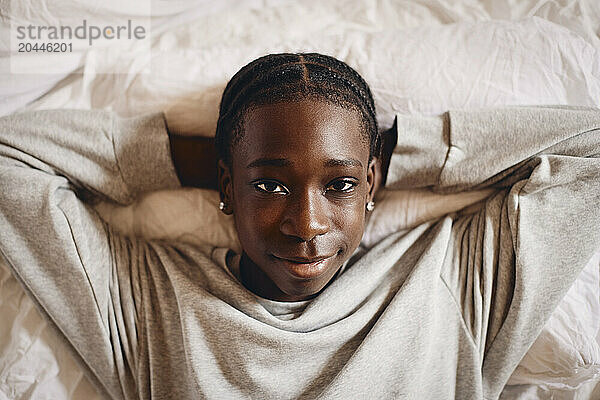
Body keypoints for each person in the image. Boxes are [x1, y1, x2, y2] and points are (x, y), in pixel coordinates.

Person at [0, 52, 598, 400]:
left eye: (338, 186)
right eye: (270, 186)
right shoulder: (145, 298)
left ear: (371, 185)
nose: (306, 224)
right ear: (226, 190)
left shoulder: (450, 277)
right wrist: (195, 161)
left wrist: (404, 154)